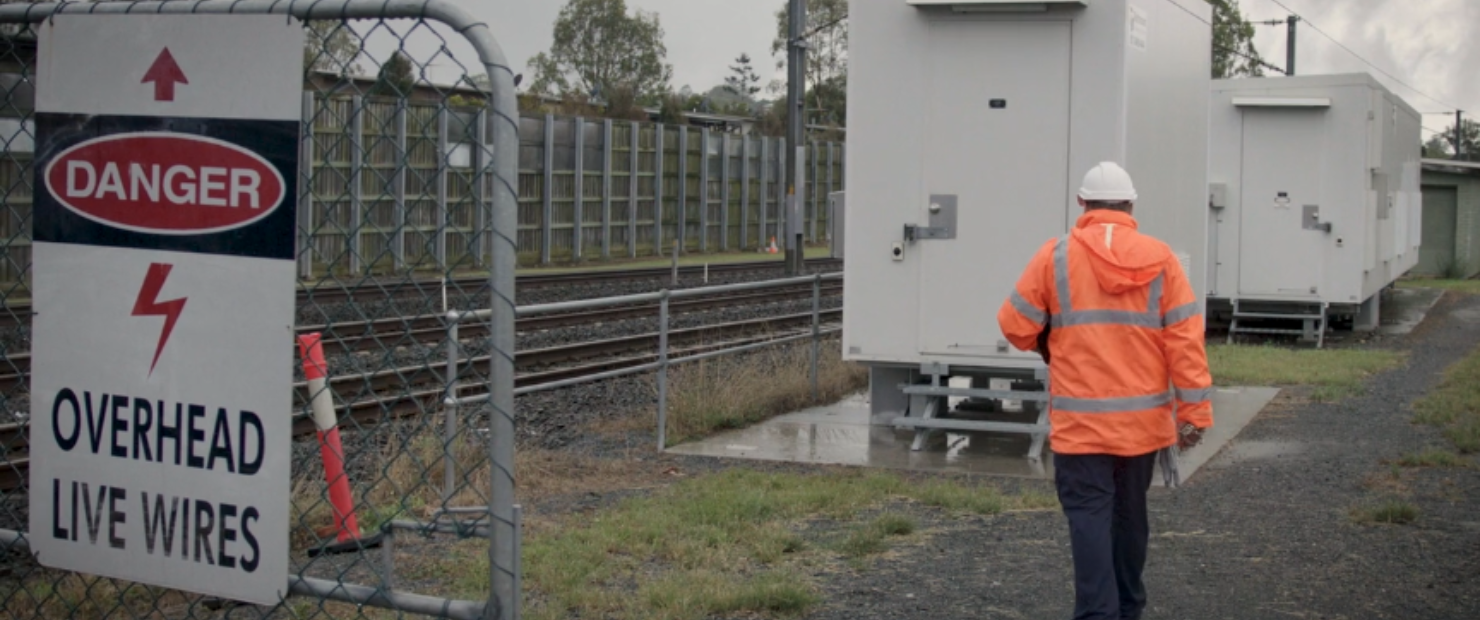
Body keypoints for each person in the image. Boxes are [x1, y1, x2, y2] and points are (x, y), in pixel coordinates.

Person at [996, 161, 1214, 620]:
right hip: (1143, 427)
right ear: (1131, 205)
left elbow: (1015, 325)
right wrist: (1195, 411)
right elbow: (1185, 341)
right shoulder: (1162, 258)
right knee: (1130, 517)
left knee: (1089, 518)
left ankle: (1098, 613)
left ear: (1082, 204)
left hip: (1082, 427)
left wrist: (1049, 339)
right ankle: (1129, 607)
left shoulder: (1054, 257)